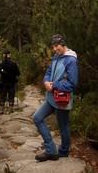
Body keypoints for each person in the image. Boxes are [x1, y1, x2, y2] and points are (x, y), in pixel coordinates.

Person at [33, 34, 78, 162]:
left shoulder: (71, 60)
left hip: (62, 99)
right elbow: (48, 72)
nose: (54, 49)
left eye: (56, 46)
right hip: (51, 98)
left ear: (63, 44)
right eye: (53, 46)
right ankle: (51, 150)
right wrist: (46, 81)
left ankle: (63, 151)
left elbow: (73, 83)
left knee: (63, 125)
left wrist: (54, 85)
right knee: (37, 118)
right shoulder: (56, 57)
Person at [0, 49, 20, 114]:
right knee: (11, 95)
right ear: (10, 55)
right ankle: (10, 109)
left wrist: (2, 71)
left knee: (2, 95)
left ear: (3, 55)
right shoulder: (14, 64)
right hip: (12, 82)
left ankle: (1, 110)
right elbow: (18, 73)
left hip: (3, 83)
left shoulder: (0, 63)